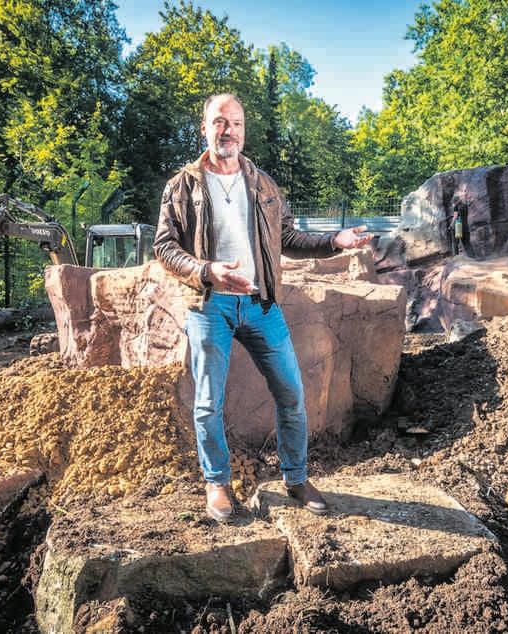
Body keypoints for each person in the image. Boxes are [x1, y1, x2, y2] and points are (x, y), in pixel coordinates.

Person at [154, 93, 372, 522]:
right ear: (205, 128)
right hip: (210, 305)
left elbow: (288, 237)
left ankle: (296, 477)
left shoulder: (264, 184)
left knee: (291, 394)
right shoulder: (182, 185)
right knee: (207, 404)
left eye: (234, 122)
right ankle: (217, 485)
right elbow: (164, 247)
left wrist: (334, 241)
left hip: (260, 306)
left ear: (243, 130)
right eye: (219, 122)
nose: (227, 130)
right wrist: (207, 270)